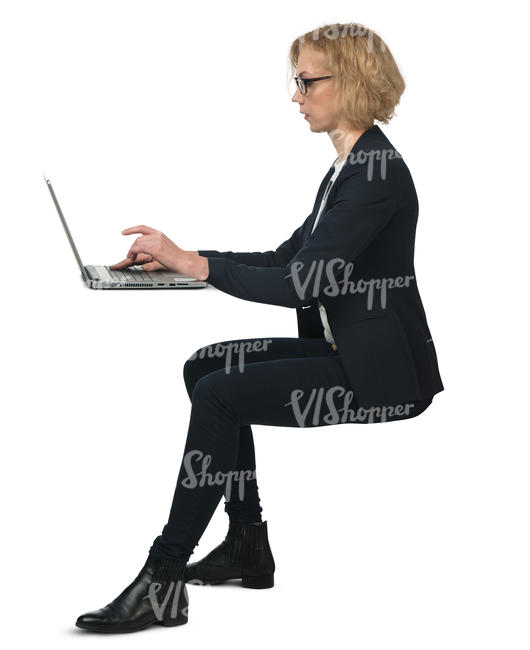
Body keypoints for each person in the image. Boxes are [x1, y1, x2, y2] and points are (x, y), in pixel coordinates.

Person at [75, 21, 444, 633]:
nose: (296, 96)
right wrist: (183, 262)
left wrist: (200, 266)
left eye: (306, 81)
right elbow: (285, 260)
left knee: (220, 394)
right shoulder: (350, 169)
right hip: (339, 350)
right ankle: (247, 543)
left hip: (379, 376)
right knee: (206, 368)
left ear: (348, 82)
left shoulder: (378, 175)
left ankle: (163, 578)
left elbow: (306, 284)